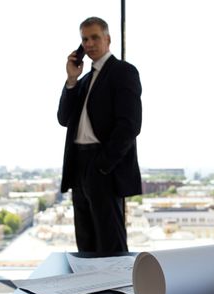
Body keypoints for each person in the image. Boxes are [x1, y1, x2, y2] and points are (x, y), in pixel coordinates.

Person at [57, 17, 142, 253]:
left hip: (102, 165)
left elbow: (130, 125)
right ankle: (90, 287)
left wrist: (103, 165)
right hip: (78, 164)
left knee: (109, 240)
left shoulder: (123, 72)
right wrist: (71, 79)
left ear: (108, 39)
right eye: (85, 39)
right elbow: (64, 118)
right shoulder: (82, 82)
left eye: (95, 37)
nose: (90, 43)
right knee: (85, 239)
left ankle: (114, 288)